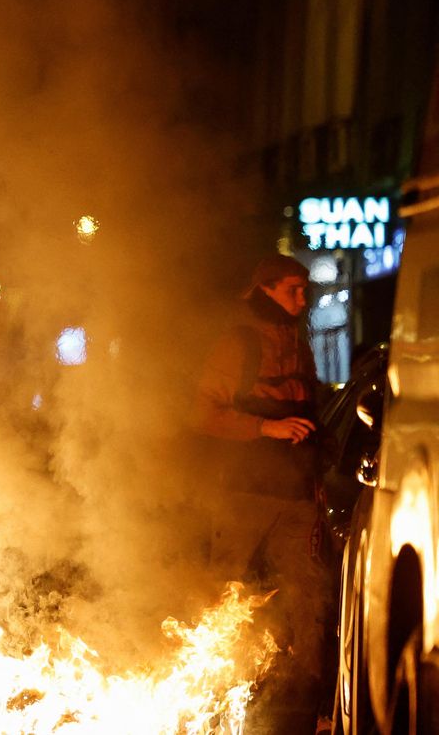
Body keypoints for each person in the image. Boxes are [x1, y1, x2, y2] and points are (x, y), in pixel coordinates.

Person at [196, 254, 330, 734]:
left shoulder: (298, 343)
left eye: (304, 289)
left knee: (309, 601)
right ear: (266, 290)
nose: (302, 297)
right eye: (293, 288)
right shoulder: (238, 344)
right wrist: (266, 427)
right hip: (244, 496)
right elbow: (203, 413)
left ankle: (308, 711)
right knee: (223, 597)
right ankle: (207, 702)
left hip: (296, 497)